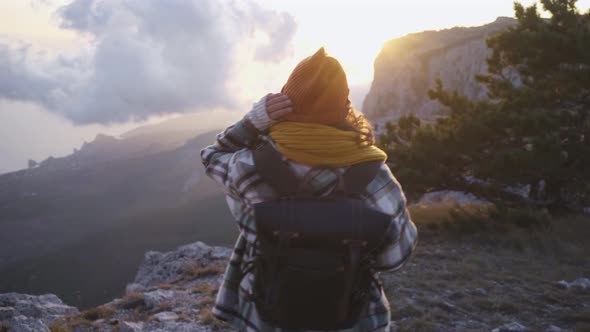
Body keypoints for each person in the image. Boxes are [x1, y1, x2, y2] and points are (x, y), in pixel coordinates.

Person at [200, 47, 418, 332]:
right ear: (344, 108)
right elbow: (395, 258)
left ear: (285, 105)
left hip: (267, 316)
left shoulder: (250, 166)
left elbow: (211, 156)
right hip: (353, 319)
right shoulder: (375, 176)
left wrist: (252, 123)